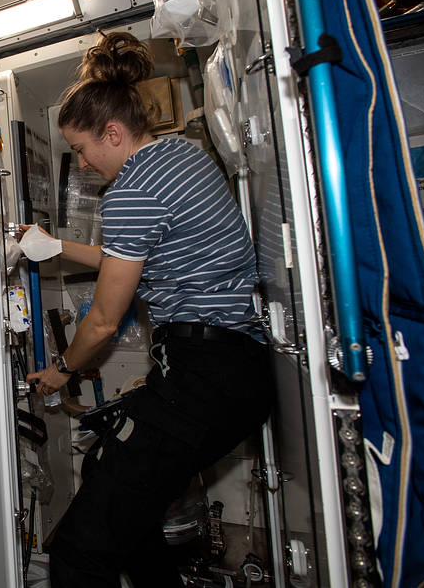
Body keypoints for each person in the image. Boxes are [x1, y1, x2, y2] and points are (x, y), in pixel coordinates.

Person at [25, 32, 273, 587]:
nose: (85, 164)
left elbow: (105, 320)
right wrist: (56, 246)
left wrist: (61, 370)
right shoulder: (181, 154)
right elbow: (131, 259)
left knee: (78, 554)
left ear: (112, 133)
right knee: (107, 476)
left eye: (84, 149)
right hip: (235, 368)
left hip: (205, 375)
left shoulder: (132, 191)